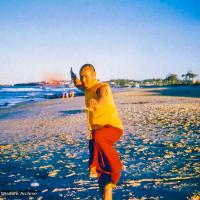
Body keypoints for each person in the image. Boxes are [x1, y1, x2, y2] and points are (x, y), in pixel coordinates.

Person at [70, 64, 123, 200]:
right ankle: (107, 188)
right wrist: (73, 76)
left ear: (94, 76)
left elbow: (103, 95)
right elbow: (78, 85)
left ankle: (116, 169)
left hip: (112, 127)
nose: (84, 80)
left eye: (86, 76)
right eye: (82, 77)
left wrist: (98, 105)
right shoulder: (86, 88)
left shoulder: (102, 87)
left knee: (98, 137)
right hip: (96, 133)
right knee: (104, 180)